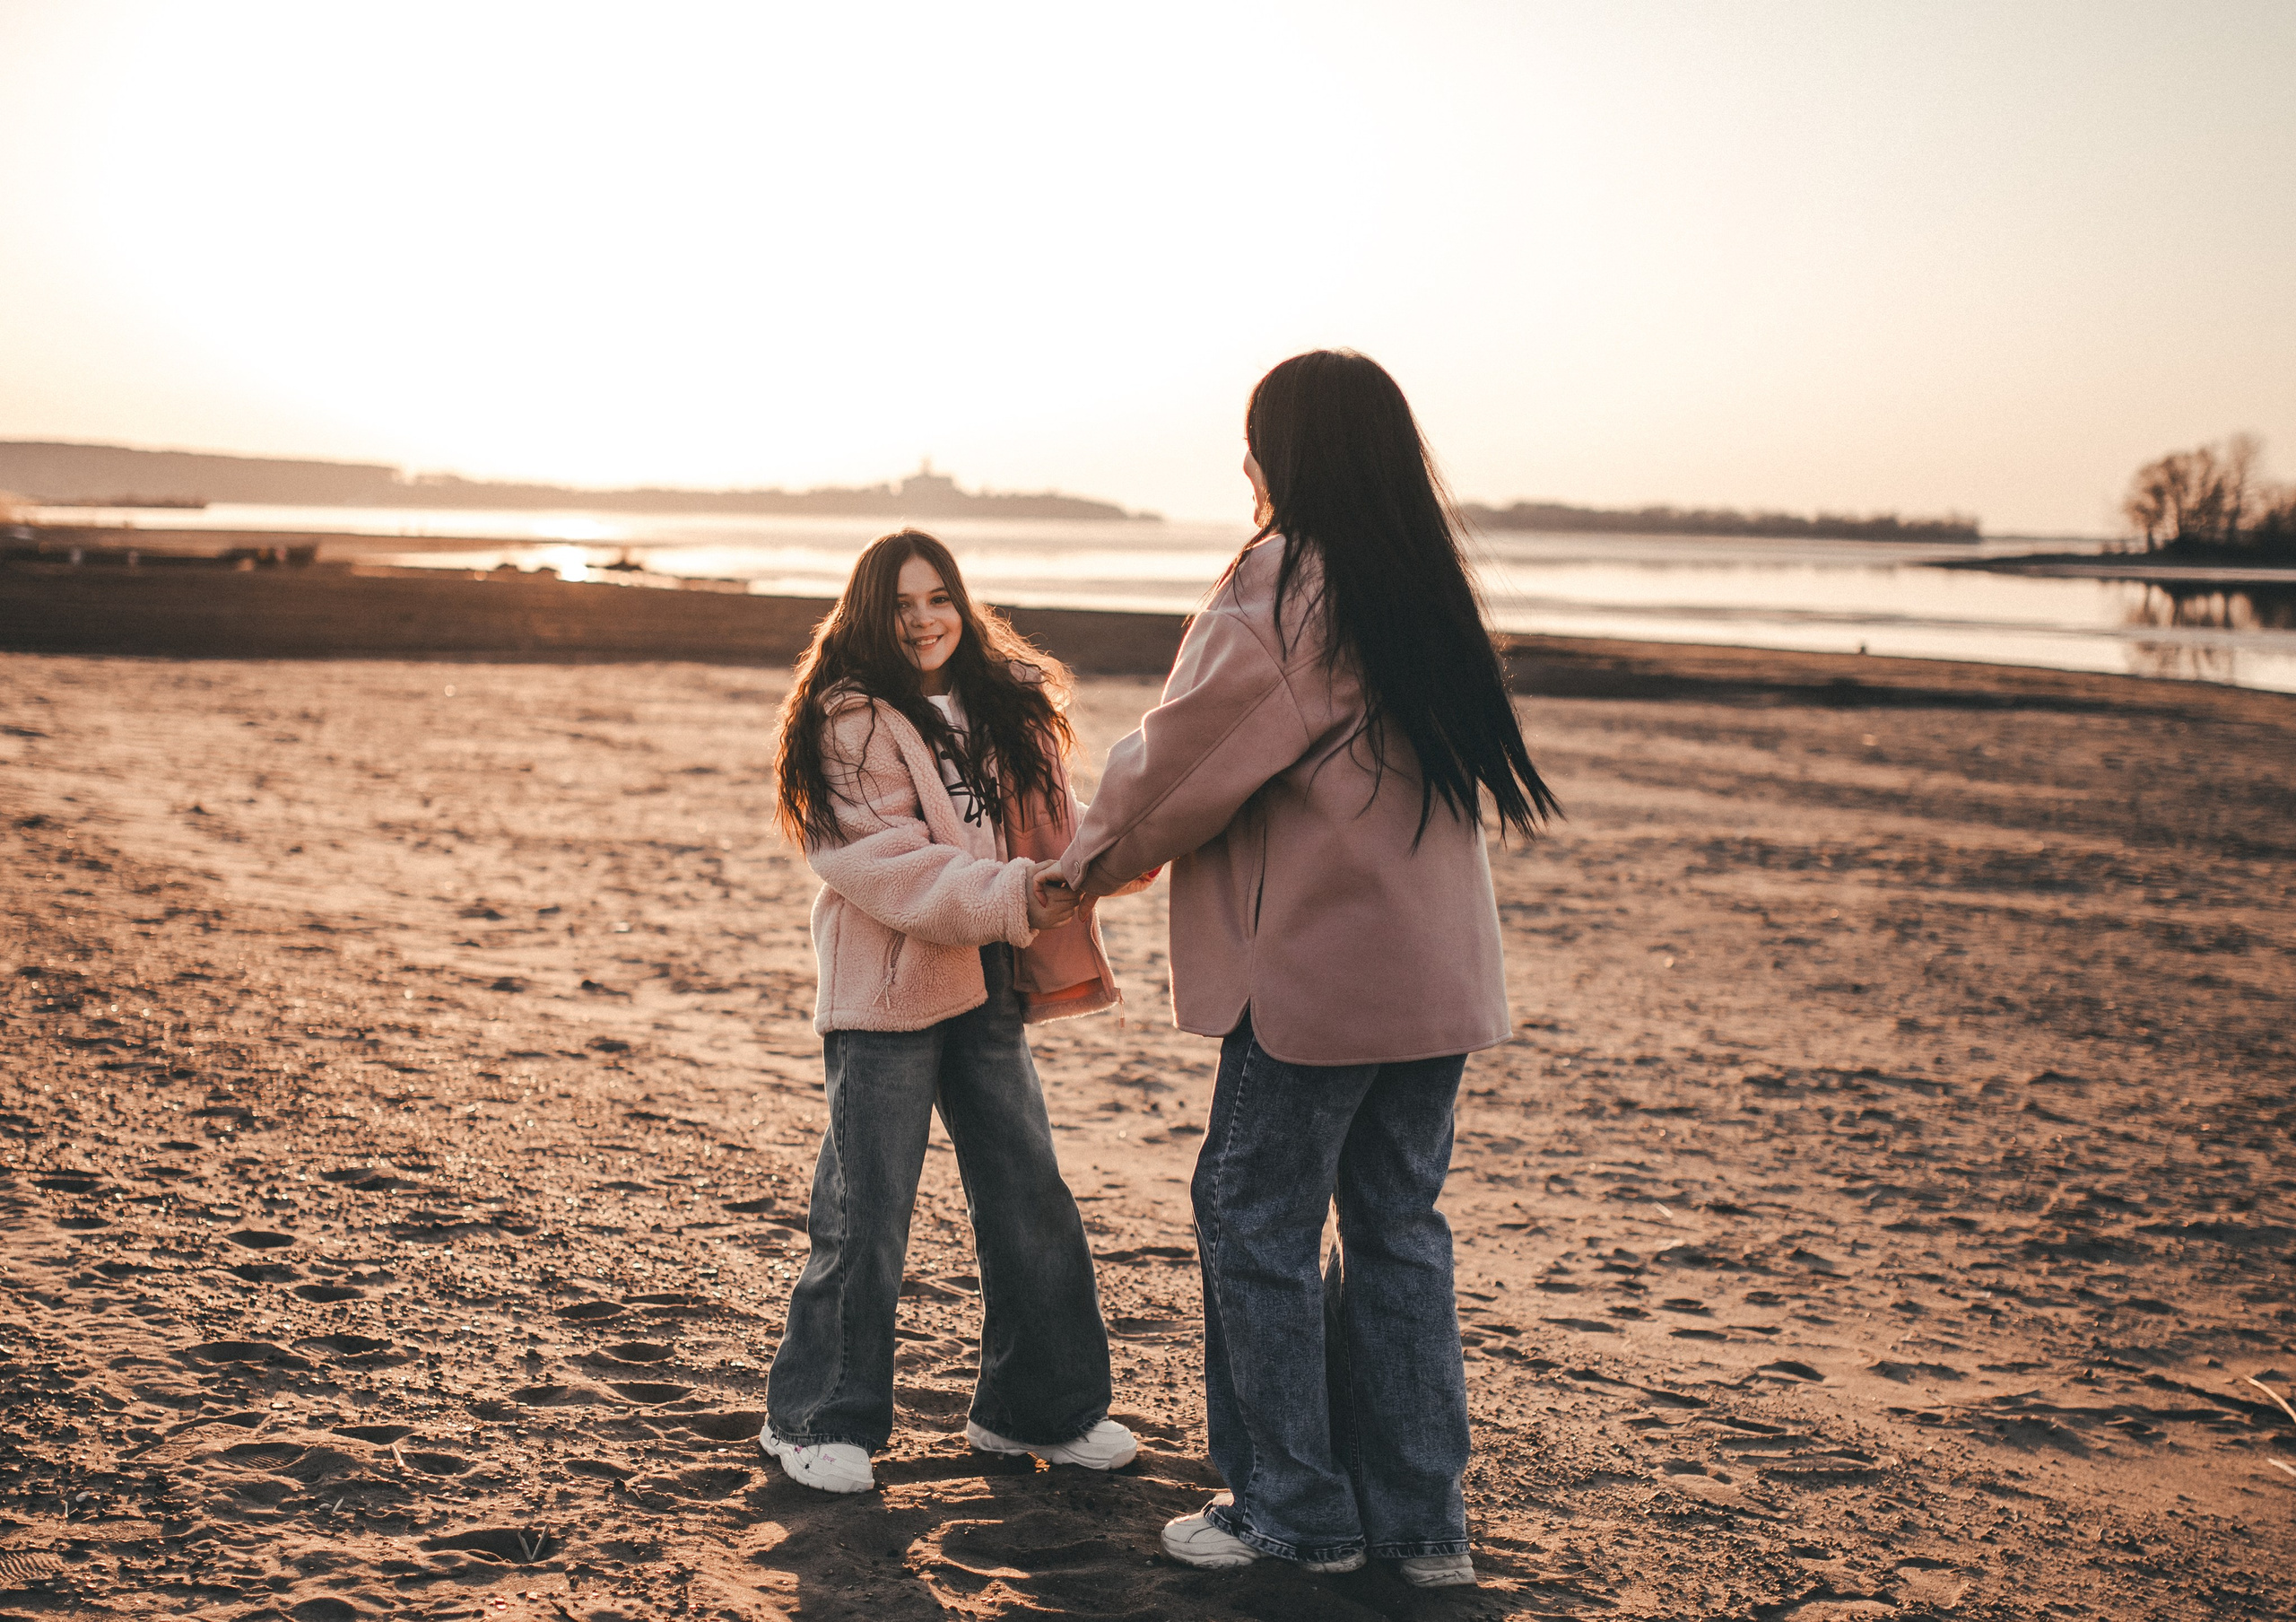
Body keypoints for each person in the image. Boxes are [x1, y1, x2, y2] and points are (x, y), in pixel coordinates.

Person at [1057, 352, 1561, 1586]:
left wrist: (1081, 866)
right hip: (1433, 980)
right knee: (1397, 1228)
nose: (1245, 466)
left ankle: (1292, 1510)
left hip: (1319, 978)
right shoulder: (1418, 581)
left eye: (1254, 442)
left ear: (1289, 455)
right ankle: (1422, 1526)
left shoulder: (1290, 582)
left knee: (1254, 1217)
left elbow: (1182, 764)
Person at [761, 528, 1149, 1494]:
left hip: (984, 981)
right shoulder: (846, 719)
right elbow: (885, 866)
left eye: (939, 596)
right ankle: (814, 1417)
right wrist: (1019, 892)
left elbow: (1049, 829)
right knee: (865, 1212)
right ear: (866, 614)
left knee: (1028, 1196)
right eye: (902, 603)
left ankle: (1039, 1409)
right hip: (887, 988)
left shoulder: (994, 701)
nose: (924, 618)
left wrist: (1110, 856)